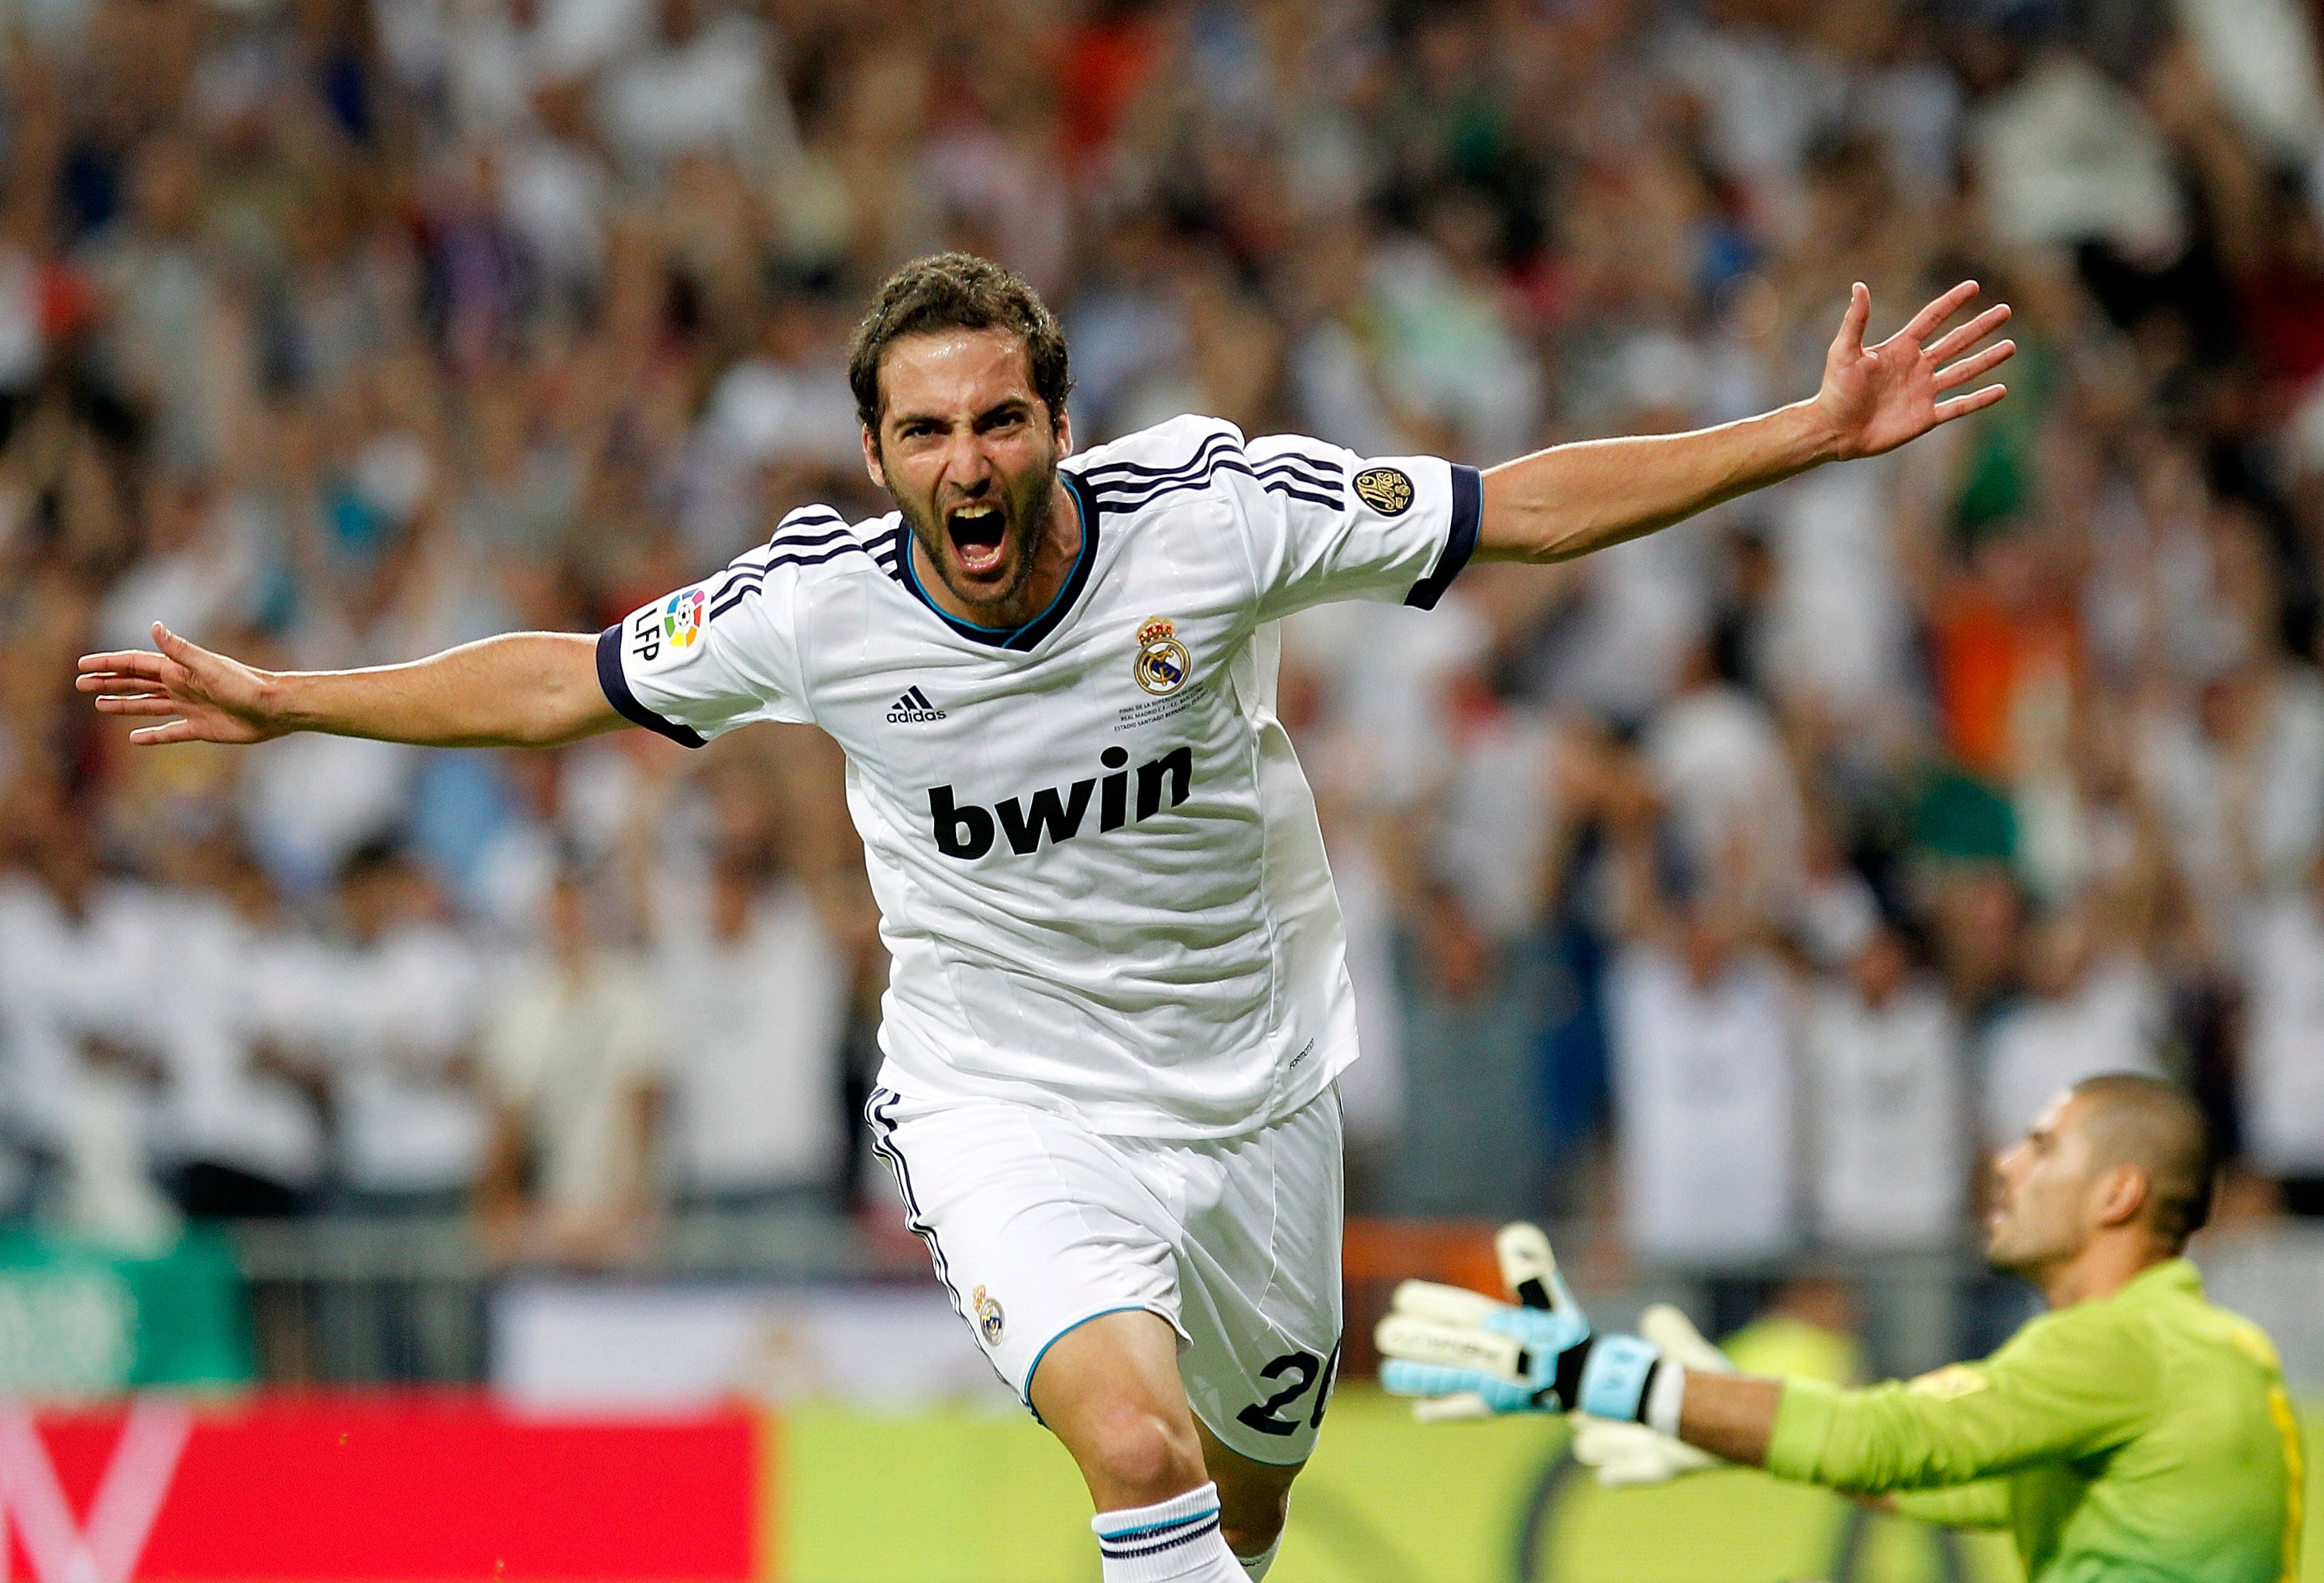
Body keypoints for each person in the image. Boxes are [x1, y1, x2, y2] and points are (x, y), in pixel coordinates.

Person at [78, 251, 2011, 1582]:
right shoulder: (810, 602)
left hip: (1255, 1087)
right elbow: (559, 678)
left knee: (1244, 1497)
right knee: (1140, 1452)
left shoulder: (1216, 511)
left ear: (1055, 419)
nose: (965, 466)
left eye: (997, 421)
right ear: (874, 455)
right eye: (924, 435)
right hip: (1003, 1090)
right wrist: (290, 699)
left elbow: (1515, 505)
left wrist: (1794, 434)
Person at [1379, 1074, 2302, 1583]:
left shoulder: (2114, 1347)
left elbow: (1887, 1444)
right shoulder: (2206, 1352)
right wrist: (1724, 1429)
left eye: (2044, 1144)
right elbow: (1932, 1481)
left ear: (2120, 1193)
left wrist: (1603, 1378)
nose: (2007, 1165)